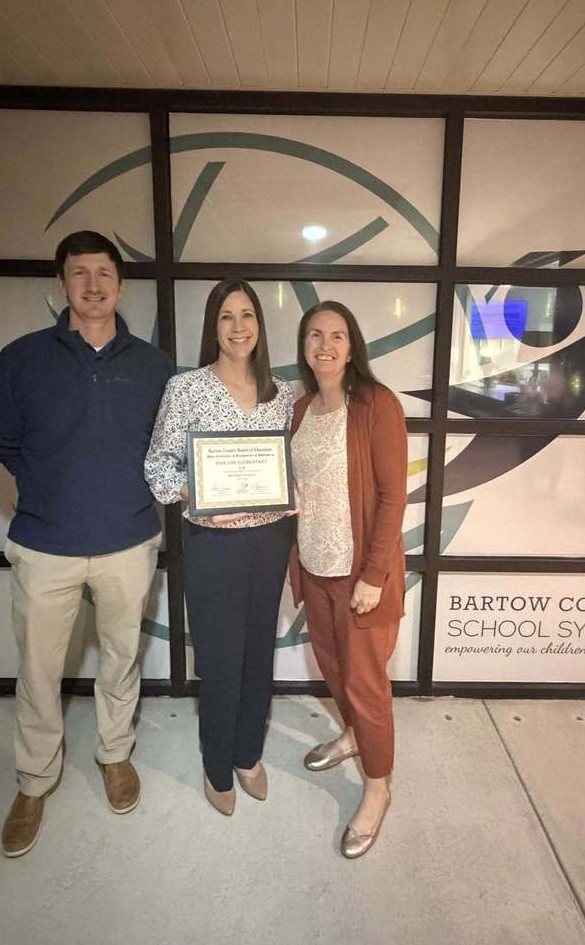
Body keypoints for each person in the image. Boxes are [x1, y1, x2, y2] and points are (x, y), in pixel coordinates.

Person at [0, 230, 174, 857]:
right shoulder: (21, 357)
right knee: (39, 669)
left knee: (121, 657)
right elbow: (1, 438)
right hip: (44, 541)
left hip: (128, 537)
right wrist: (46, 484)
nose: (92, 284)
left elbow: (165, 447)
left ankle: (115, 754)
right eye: (78, 273)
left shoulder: (153, 365)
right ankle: (34, 780)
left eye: (103, 273)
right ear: (62, 284)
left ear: (120, 285)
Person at [145, 279, 294, 815]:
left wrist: (292, 487)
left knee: (259, 654)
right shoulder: (186, 389)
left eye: (247, 315)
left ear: (259, 323)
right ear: (214, 326)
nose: (238, 327)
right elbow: (159, 464)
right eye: (227, 316)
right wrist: (198, 494)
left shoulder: (282, 393)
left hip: (271, 540)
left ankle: (248, 753)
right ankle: (216, 766)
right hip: (212, 543)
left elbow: (287, 465)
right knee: (220, 657)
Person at [289, 301, 407, 858]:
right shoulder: (302, 408)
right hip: (315, 567)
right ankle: (354, 736)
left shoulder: (376, 404)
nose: (325, 344)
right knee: (334, 669)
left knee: (366, 685)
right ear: (304, 346)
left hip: (362, 576)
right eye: (315, 334)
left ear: (352, 345)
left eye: (337, 334)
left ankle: (377, 789)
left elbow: (392, 496)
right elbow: (301, 483)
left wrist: (375, 574)